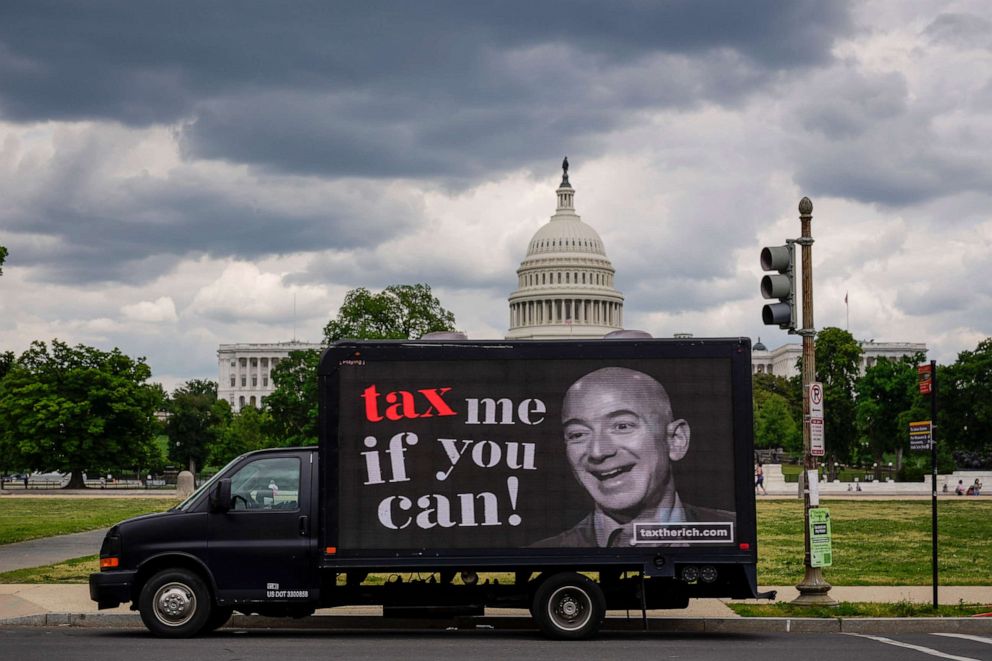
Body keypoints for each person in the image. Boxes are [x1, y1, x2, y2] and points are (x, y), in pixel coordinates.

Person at [533, 367, 733, 548]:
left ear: (676, 440)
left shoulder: (733, 530)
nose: (598, 451)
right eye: (578, 434)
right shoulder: (547, 551)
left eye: (622, 426)